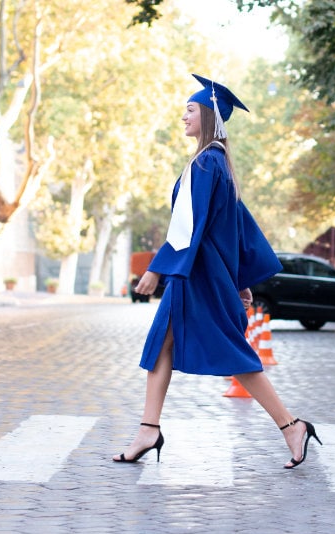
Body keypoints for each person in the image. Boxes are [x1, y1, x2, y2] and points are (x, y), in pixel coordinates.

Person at [112, 74, 321, 469]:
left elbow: (187, 226)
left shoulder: (206, 163)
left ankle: (291, 425)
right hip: (200, 275)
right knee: (162, 345)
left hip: (197, 277)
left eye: (189, 111)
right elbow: (237, 230)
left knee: (230, 352)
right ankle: (148, 429)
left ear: (208, 116)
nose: (183, 118)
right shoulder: (217, 164)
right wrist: (241, 283)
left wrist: (157, 270)